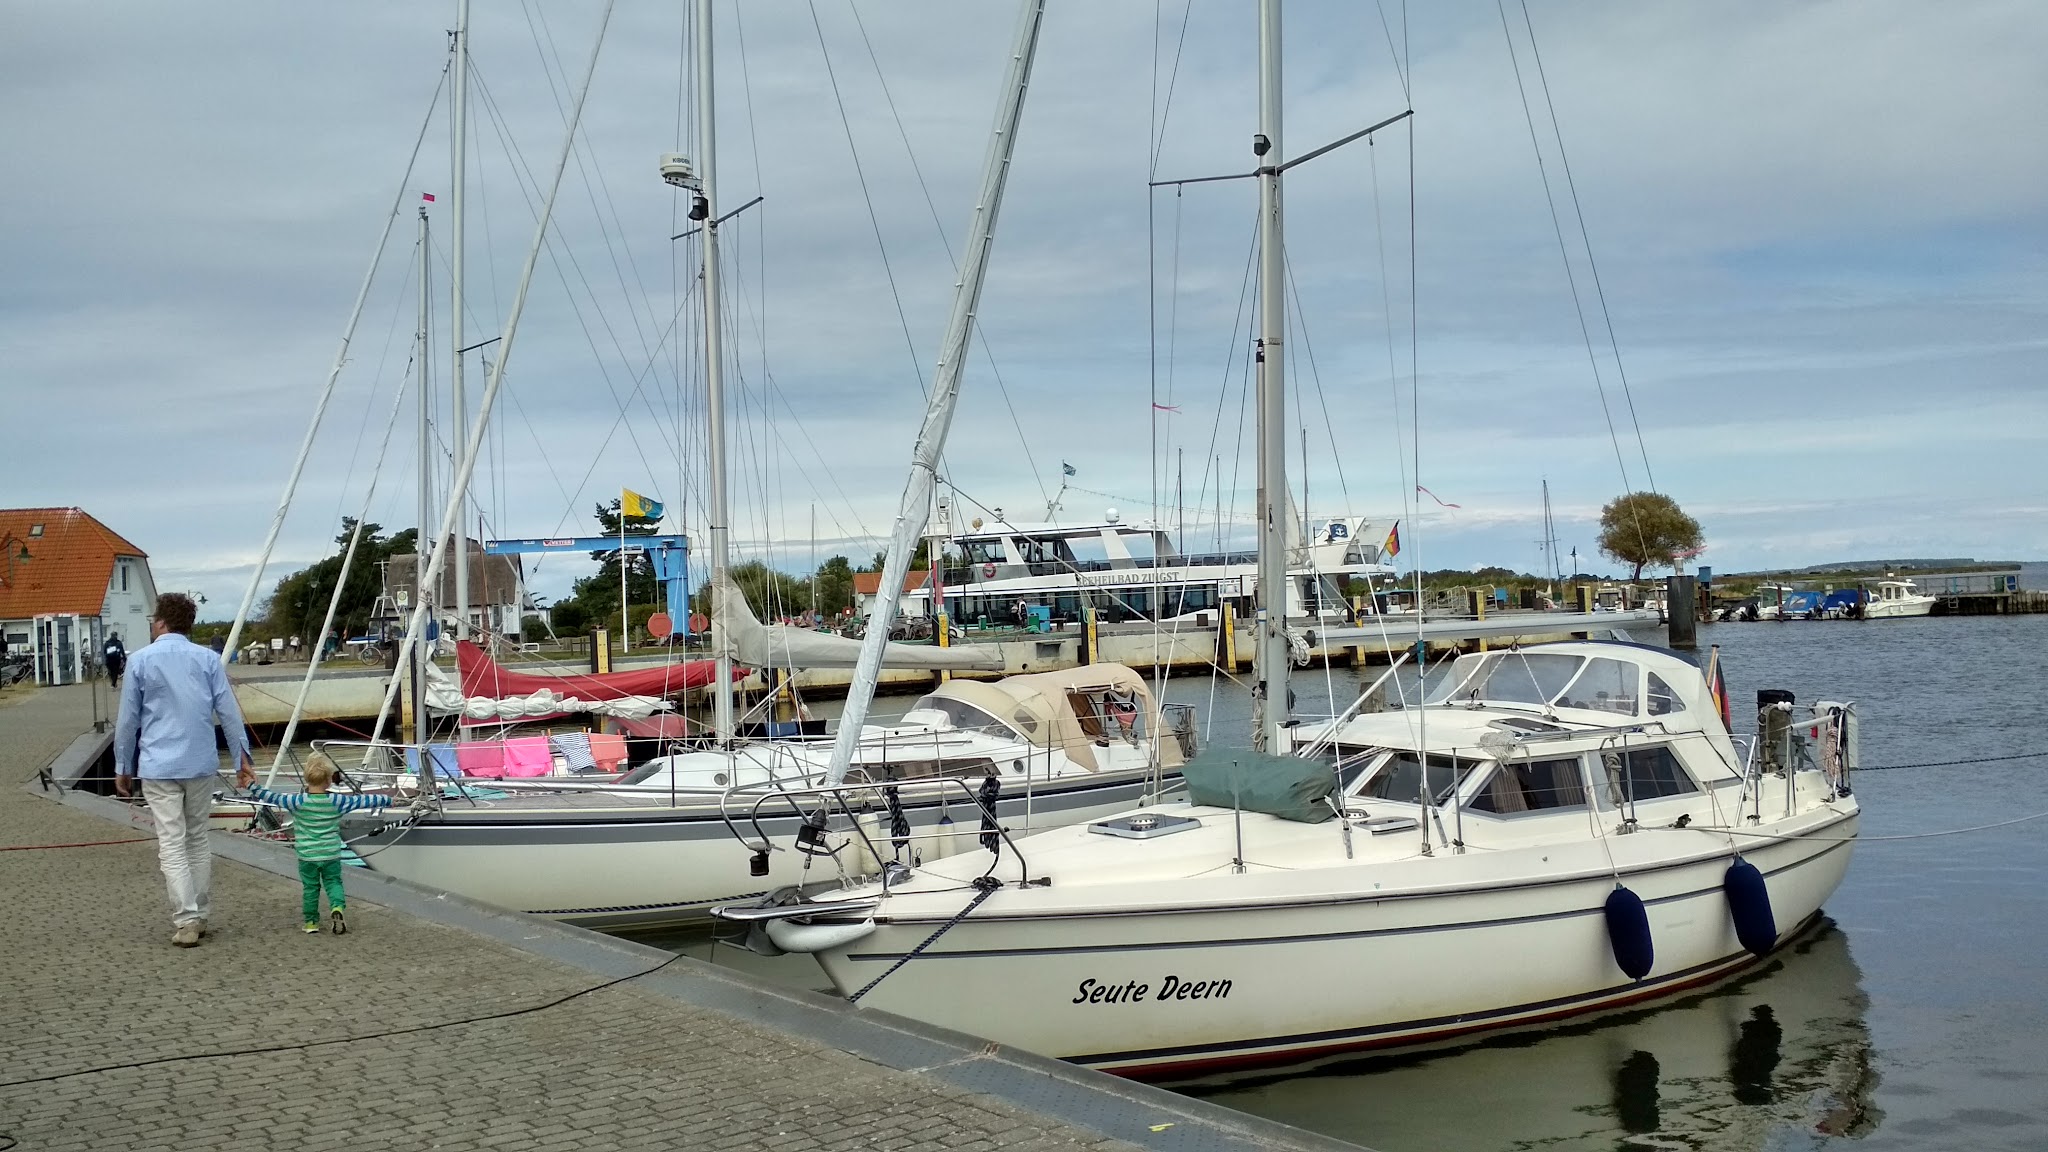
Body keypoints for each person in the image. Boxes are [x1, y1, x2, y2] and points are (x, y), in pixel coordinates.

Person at [114, 592, 255, 948]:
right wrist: (243, 760)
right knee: (198, 839)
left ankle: (187, 918)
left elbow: (128, 721)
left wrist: (122, 764)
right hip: (200, 762)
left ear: (160, 622)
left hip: (159, 765)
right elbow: (229, 713)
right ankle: (201, 913)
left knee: (172, 844)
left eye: (152, 619)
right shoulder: (208, 660)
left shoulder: (140, 662)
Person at [245, 752, 393, 934]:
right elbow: (363, 800)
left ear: (307, 779)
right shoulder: (337, 801)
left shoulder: (297, 801)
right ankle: (337, 908)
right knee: (333, 883)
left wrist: (251, 786)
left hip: (307, 856)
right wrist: (389, 800)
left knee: (310, 888)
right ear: (329, 781)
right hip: (330, 854)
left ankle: (311, 923)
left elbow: (271, 797)